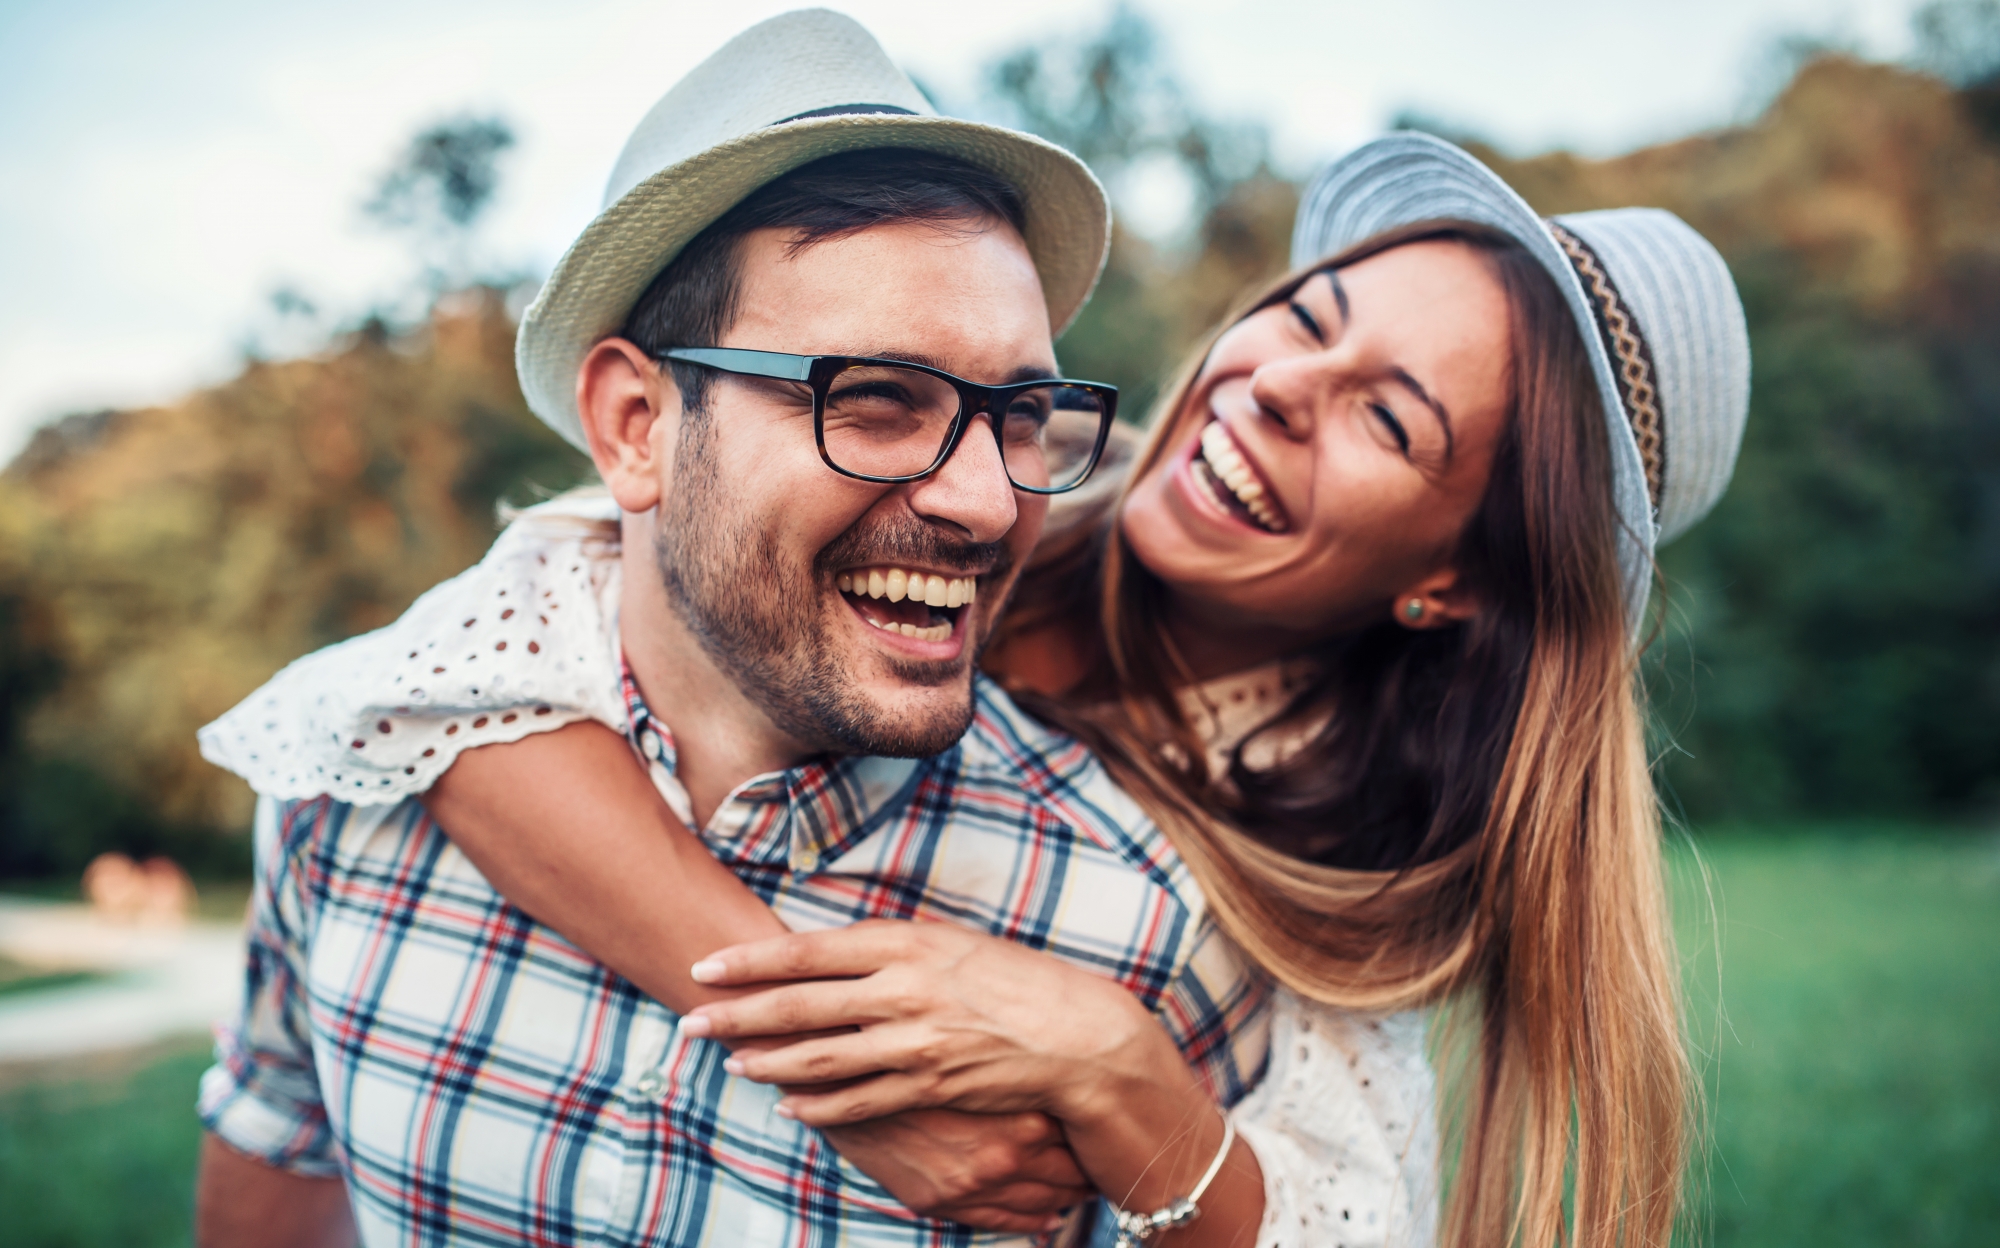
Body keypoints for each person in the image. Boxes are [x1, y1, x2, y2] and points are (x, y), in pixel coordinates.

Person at [208, 117, 1752, 1248]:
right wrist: (837, 1063)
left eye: (1390, 422)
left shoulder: (1308, 888)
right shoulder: (981, 492)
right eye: (1305, 318)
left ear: (1451, 578)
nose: (1275, 388)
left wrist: (1124, 1079)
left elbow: (1341, 1219)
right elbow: (457, 677)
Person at [191, 11, 1272, 1247]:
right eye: (872, 401)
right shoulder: (359, 776)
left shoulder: (1141, 928)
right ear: (635, 428)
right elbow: (276, 1136)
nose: (985, 500)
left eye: (1022, 414)